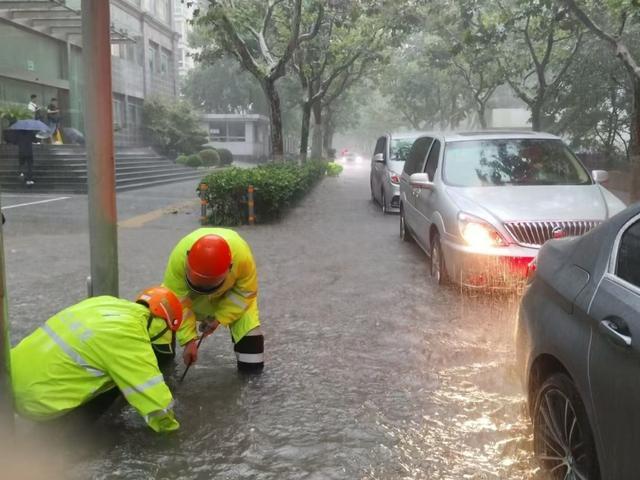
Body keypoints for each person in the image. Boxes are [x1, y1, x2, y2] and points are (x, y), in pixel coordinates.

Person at [10, 286, 183, 433]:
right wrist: (173, 431)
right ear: (162, 323)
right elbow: (156, 404)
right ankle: (59, 441)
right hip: (34, 402)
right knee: (121, 379)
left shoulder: (103, 302)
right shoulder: (130, 337)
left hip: (8, 377)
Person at [163, 229, 264, 372]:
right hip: (191, 300)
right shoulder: (179, 257)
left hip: (230, 299)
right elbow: (177, 300)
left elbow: (245, 292)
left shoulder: (242, 257)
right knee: (159, 313)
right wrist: (189, 341)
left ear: (229, 268)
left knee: (253, 357)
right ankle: (163, 367)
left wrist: (219, 318)